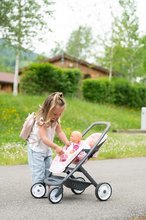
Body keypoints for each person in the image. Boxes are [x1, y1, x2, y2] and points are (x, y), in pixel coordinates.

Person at [27, 92, 70, 185]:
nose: (57, 116)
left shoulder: (56, 120)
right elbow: (43, 137)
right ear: (47, 110)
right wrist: (56, 147)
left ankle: (47, 185)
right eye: (55, 114)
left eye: (60, 114)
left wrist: (67, 142)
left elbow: (60, 132)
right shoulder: (41, 120)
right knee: (39, 170)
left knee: (49, 169)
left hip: (46, 150)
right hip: (36, 150)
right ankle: (38, 187)